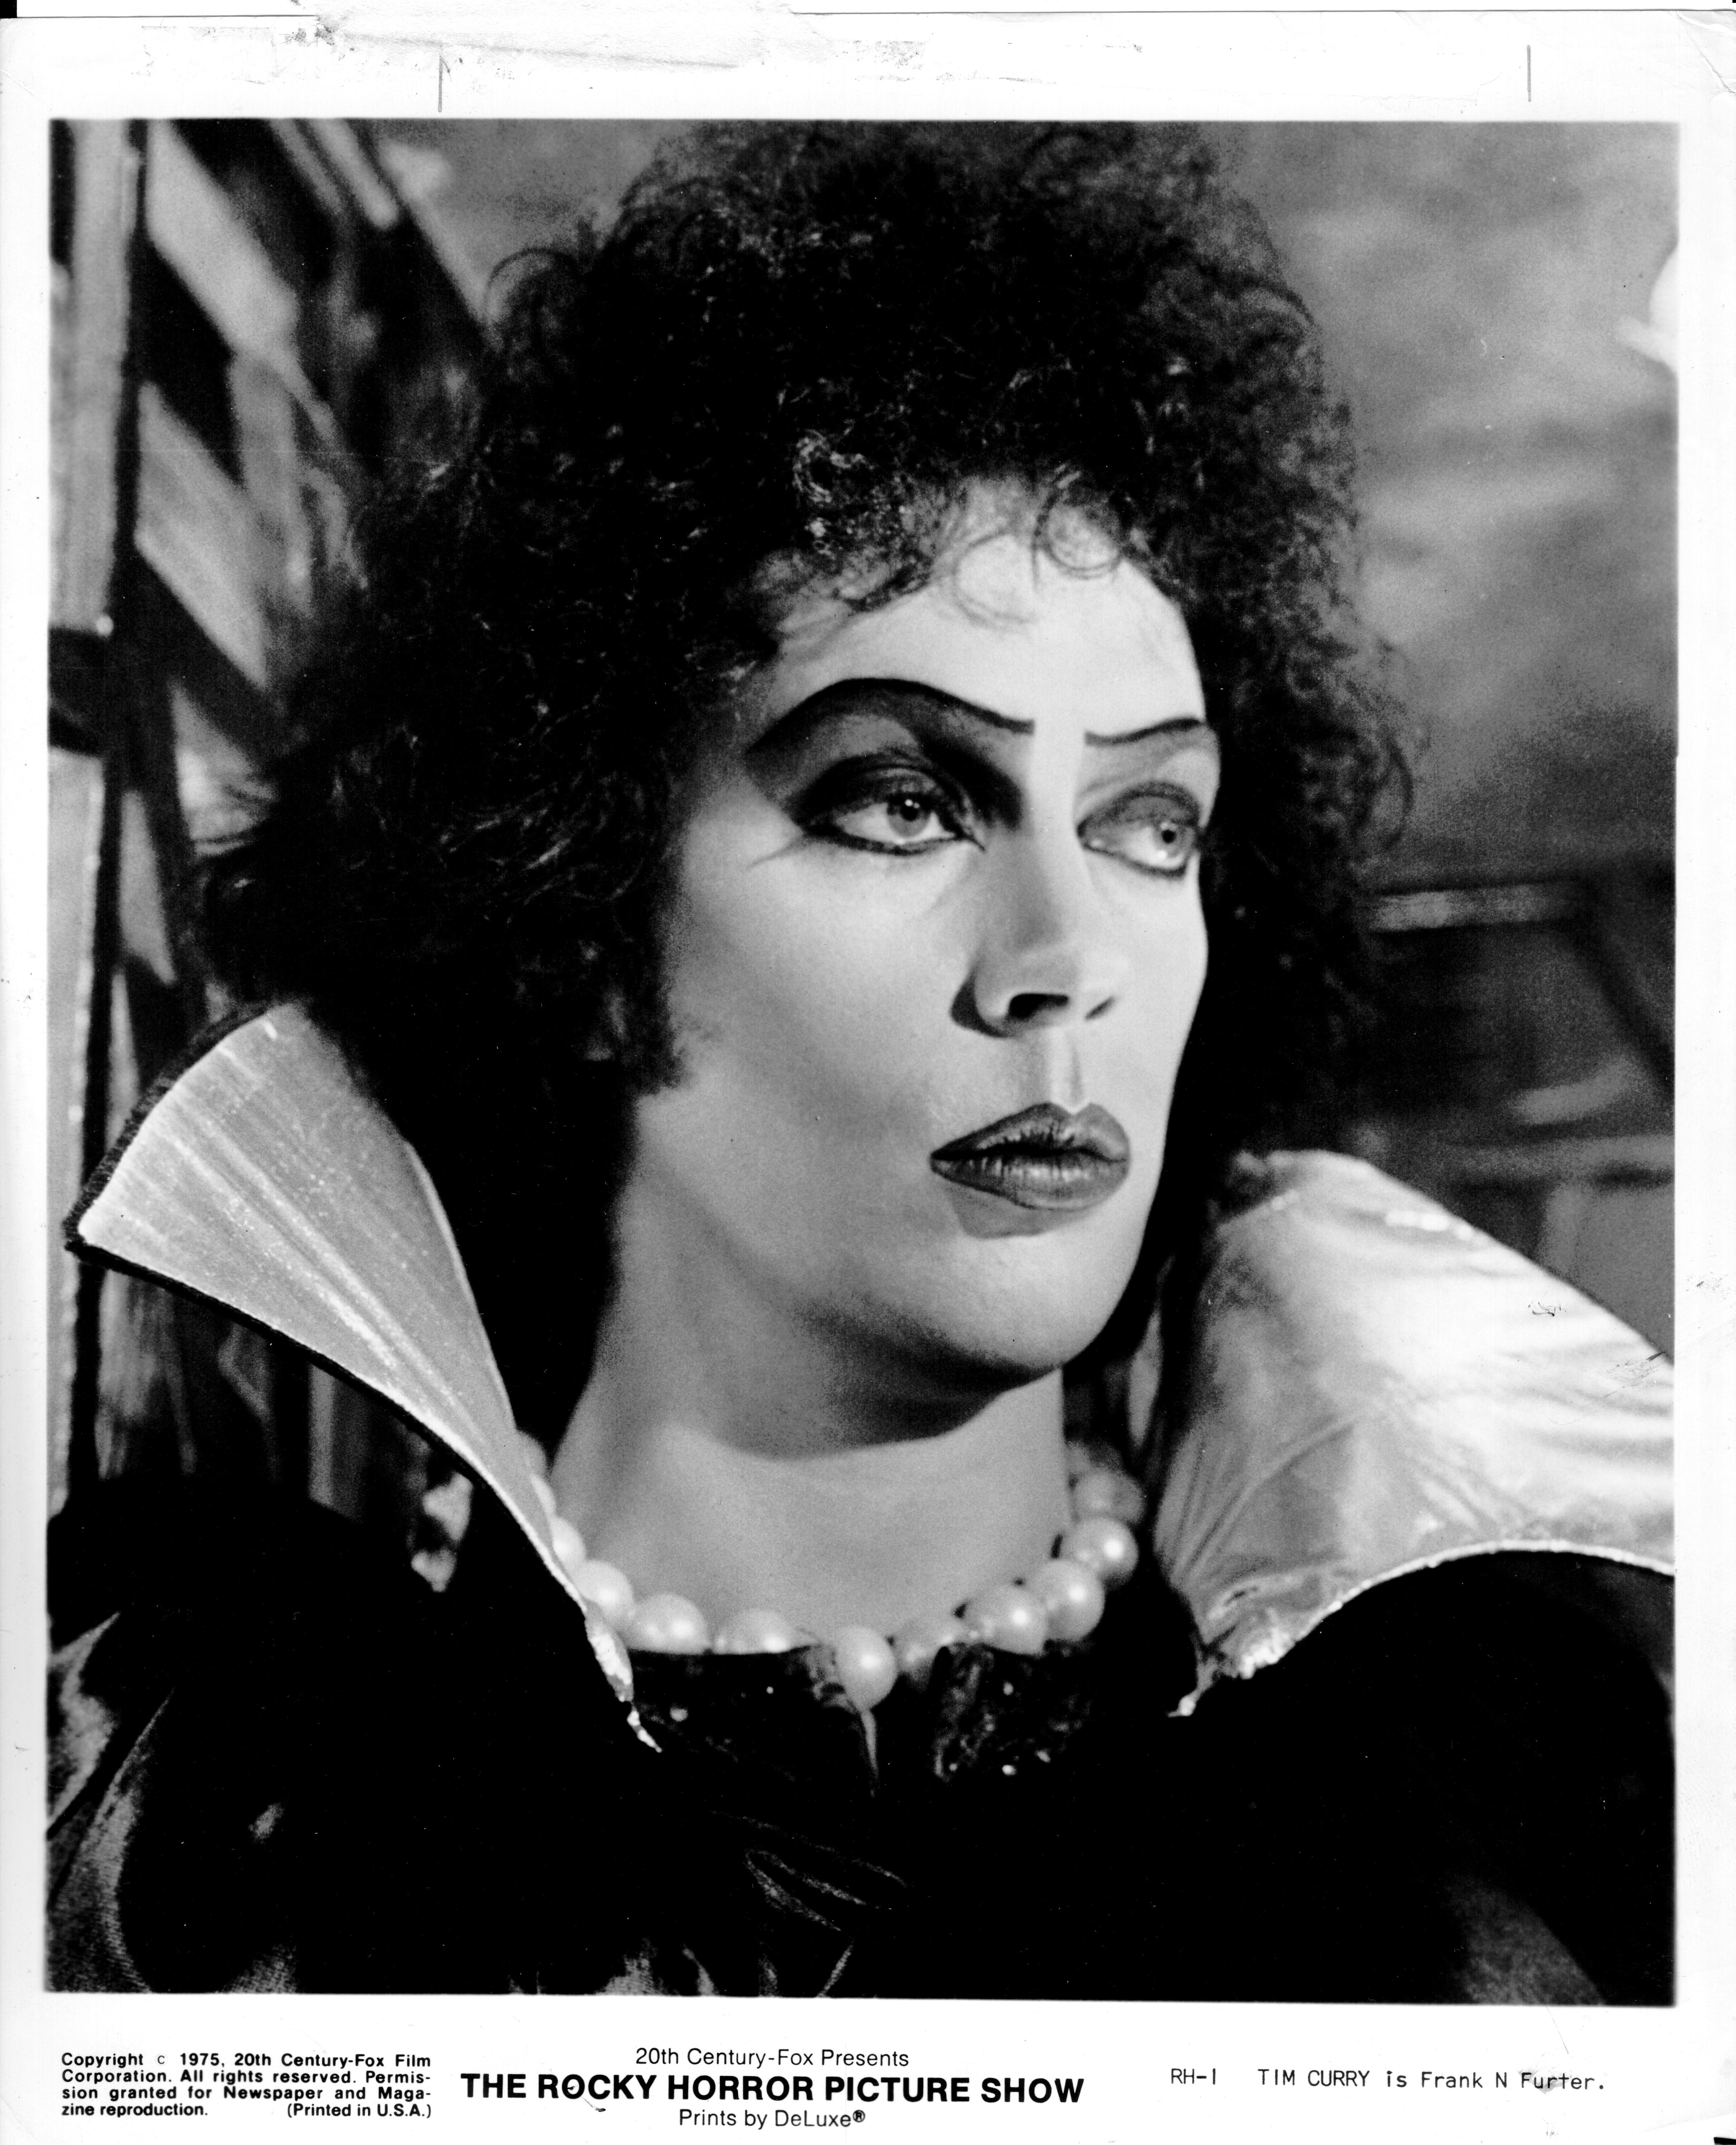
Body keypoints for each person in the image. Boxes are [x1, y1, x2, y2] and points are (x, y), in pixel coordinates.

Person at [51, 123, 1672, 2001]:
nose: (1069, 961)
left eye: (1152, 824)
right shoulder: (183, 1795)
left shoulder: (1478, 1806)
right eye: (902, 799)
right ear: (576, 916)